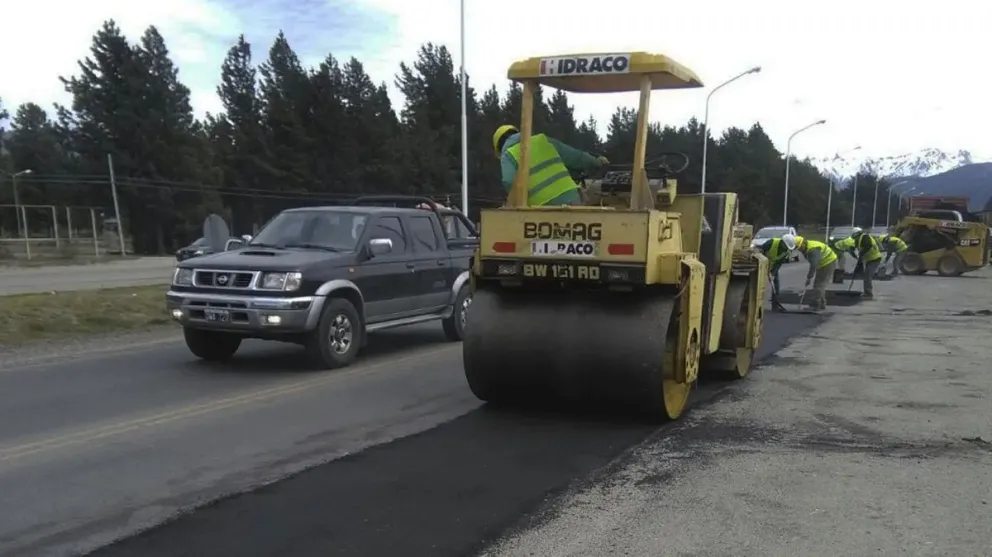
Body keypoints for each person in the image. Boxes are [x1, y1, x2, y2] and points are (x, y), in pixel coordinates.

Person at [493, 124, 608, 206]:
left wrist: (514, 203)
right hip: (571, 198)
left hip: (540, 209)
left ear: (499, 148)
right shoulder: (542, 140)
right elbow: (575, 157)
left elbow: (509, 181)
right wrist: (597, 162)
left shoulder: (507, 155)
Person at [794, 235, 839, 311]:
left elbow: (814, 265)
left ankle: (815, 305)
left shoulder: (813, 250)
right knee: (817, 284)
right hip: (823, 263)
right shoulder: (806, 247)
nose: (799, 250)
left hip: (828, 262)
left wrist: (809, 277)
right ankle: (822, 304)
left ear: (803, 243)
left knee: (819, 285)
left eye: (799, 247)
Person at [755, 232, 797, 311]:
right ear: (782, 242)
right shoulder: (771, 242)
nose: (786, 248)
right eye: (786, 246)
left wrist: (773, 274)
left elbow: (778, 263)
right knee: (757, 285)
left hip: (772, 267)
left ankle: (775, 305)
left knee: (776, 284)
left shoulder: (786, 252)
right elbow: (759, 252)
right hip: (760, 265)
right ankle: (755, 305)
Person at [850, 227, 883, 299]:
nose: (854, 238)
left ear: (856, 234)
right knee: (866, 275)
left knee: (867, 276)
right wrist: (858, 258)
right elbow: (854, 248)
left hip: (875, 259)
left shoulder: (865, 237)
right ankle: (867, 292)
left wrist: (861, 253)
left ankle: (868, 294)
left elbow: (868, 246)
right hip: (869, 259)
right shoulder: (858, 239)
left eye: (854, 236)